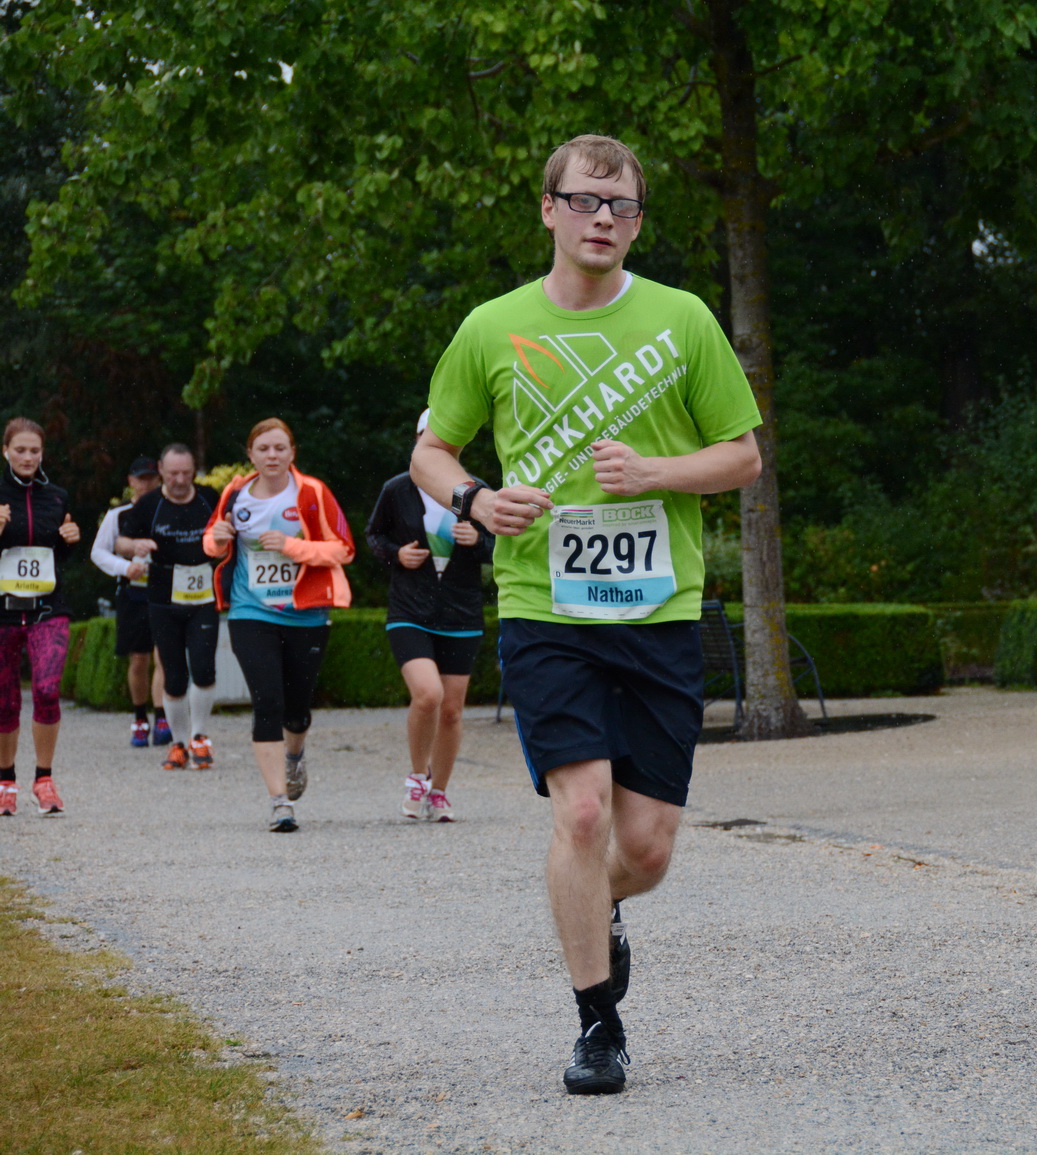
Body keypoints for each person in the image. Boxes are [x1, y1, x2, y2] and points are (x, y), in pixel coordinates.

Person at [411, 134, 762, 1094]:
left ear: (637, 220)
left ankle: (596, 916)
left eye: (624, 206)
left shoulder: (683, 320)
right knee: (583, 814)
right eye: (586, 200)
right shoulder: (491, 327)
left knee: (642, 848)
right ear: (549, 209)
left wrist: (655, 472)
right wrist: (477, 501)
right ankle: (597, 1025)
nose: (604, 218)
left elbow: (742, 457)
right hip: (545, 606)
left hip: (658, 612)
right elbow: (431, 454)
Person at [203, 419, 354, 831]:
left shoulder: (312, 493)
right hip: (251, 613)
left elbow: (343, 548)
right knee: (267, 701)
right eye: (264, 449)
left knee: (297, 709)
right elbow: (213, 544)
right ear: (250, 454)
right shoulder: (235, 493)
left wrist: (291, 547)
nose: (272, 456)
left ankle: (294, 754)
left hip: (306, 613)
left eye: (280, 448)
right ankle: (279, 802)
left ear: (292, 453)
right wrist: (216, 537)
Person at [366, 410, 495, 822]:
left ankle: (439, 791)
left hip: (461, 611)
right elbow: (374, 535)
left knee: (453, 710)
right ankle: (417, 777)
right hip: (410, 609)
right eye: (429, 435)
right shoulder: (396, 489)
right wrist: (395, 555)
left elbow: (500, 547)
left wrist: (477, 540)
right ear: (419, 439)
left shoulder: (478, 492)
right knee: (428, 695)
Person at [118, 445, 223, 770]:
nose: (179, 480)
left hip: (204, 597)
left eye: (186, 473)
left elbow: (229, 537)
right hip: (163, 600)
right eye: (173, 473)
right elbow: (120, 542)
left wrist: (223, 541)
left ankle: (200, 737)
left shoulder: (209, 497)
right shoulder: (149, 504)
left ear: (194, 472)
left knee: (204, 669)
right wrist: (134, 546)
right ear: (162, 470)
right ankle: (178, 744)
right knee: (174, 676)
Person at [0, 417, 80, 816]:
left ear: (42, 454)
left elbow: (57, 554)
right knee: (4, 701)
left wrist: (70, 540)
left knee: (47, 689)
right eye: (20, 450)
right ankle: (5, 781)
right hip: (2, 612)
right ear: (6, 452)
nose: (28, 457)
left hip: (48, 608)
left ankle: (44, 779)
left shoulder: (57, 496)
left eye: (34, 451)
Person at [91, 456, 169, 746]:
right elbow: (98, 552)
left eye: (151, 478)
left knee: (164, 655)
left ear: (159, 479)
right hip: (133, 593)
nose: (146, 483)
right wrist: (125, 567)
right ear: (131, 481)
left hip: (165, 592)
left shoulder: (169, 510)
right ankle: (139, 717)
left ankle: (162, 716)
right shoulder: (119, 515)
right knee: (139, 659)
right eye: (141, 478)